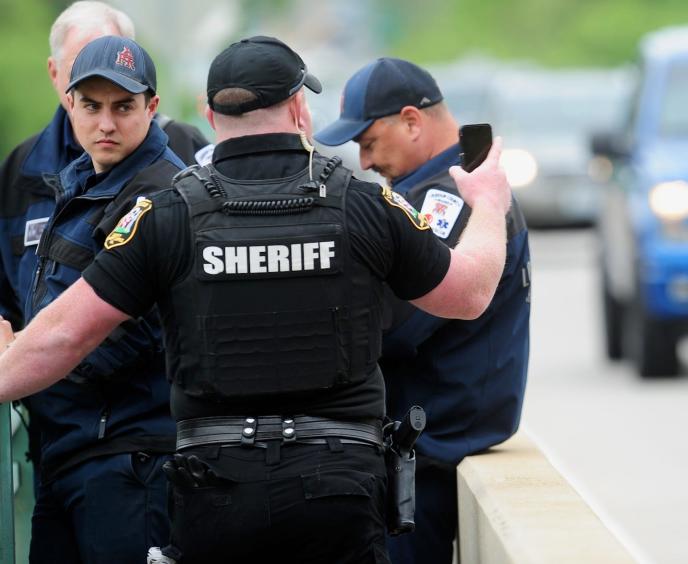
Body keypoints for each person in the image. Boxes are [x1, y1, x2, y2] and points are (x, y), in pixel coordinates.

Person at [0, 35, 513, 564]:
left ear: (209, 113)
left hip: (215, 492)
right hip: (337, 493)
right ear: (298, 107)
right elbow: (469, 294)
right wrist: (489, 202)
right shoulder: (364, 204)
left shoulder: (167, 215)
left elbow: (61, 336)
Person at [314, 57, 530, 564]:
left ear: (412, 121)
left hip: (431, 449)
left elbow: (398, 322)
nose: (363, 162)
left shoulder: (449, 198)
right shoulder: (446, 189)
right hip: (432, 440)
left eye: (368, 143)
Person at [0, 0, 208, 510]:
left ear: (150, 106)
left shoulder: (172, 181)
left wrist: (22, 355)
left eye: (122, 105)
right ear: (66, 92)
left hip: (134, 451)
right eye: (91, 104)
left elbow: (94, 335)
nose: (106, 123)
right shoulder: (42, 174)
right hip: (61, 447)